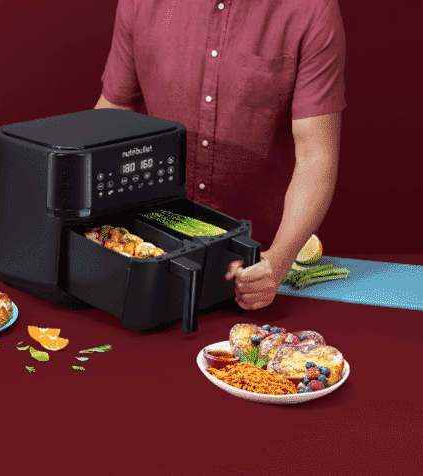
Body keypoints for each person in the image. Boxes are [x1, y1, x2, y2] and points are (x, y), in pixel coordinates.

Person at [95, 0, 345, 311]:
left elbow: (315, 155)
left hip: (257, 255)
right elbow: (113, 116)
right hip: (157, 246)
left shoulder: (311, 9)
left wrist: (277, 261)